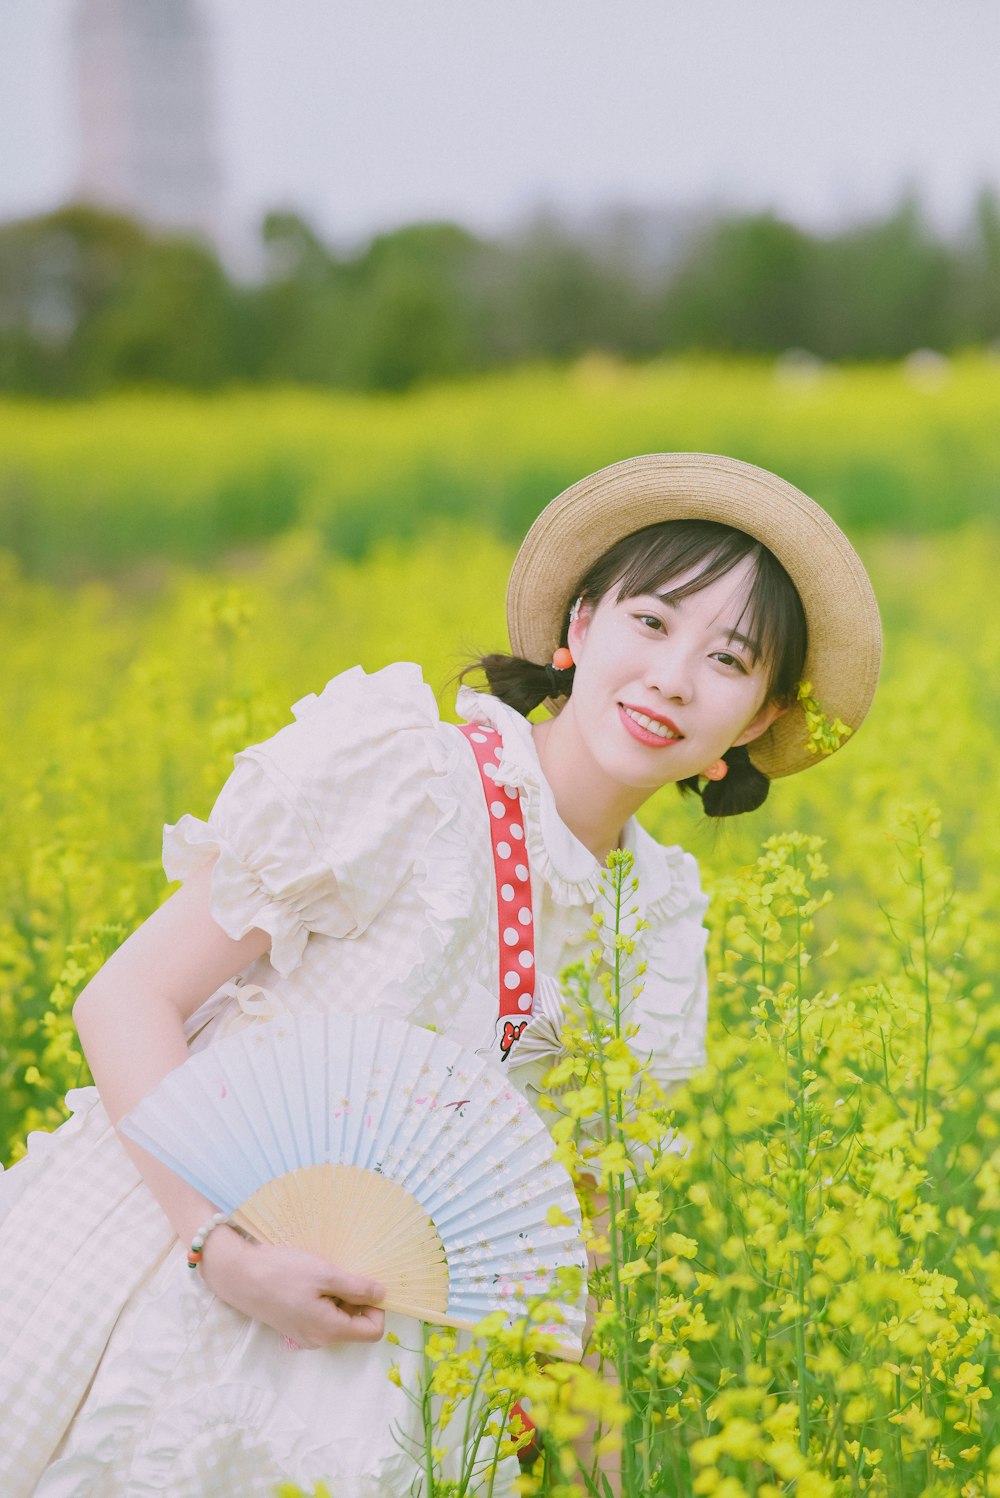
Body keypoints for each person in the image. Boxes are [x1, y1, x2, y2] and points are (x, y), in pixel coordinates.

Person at [0, 453, 880, 1498]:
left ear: (757, 721)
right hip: (171, 1258)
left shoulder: (653, 927)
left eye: (728, 660)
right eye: (650, 622)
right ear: (580, 625)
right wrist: (221, 1251)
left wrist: (596, 1465)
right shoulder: (410, 776)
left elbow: (576, 1229)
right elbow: (125, 999)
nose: (672, 677)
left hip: (395, 1369)